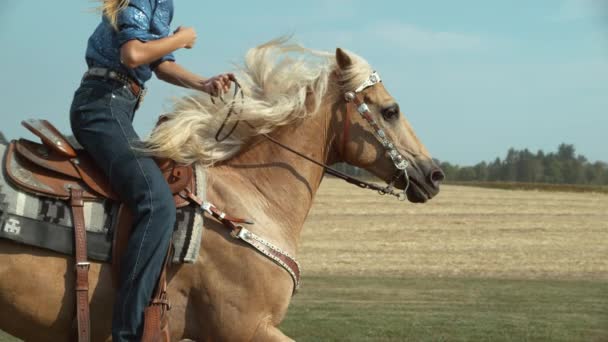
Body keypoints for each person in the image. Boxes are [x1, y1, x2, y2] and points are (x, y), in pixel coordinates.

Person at [69, 0, 232, 340]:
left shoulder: (162, 4)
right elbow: (133, 55)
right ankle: (127, 332)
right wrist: (182, 38)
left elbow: (158, 63)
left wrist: (203, 83)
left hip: (117, 105)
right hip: (102, 106)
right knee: (157, 204)